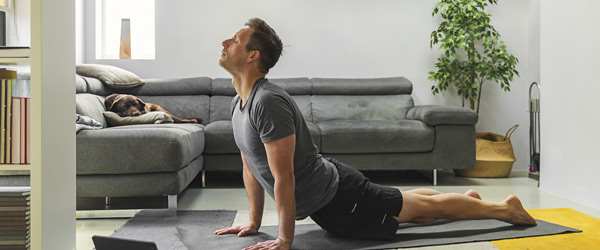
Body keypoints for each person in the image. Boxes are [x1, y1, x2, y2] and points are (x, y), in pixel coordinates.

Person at [214, 18, 536, 250]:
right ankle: (465, 201)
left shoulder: (268, 102)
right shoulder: (240, 103)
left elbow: (283, 177)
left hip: (341, 199)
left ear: (253, 55)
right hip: (331, 198)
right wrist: (254, 223)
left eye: (234, 40)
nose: (225, 43)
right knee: (406, 204)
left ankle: (506, 209)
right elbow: (252, 167)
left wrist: (284, 240)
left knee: (419, 211)